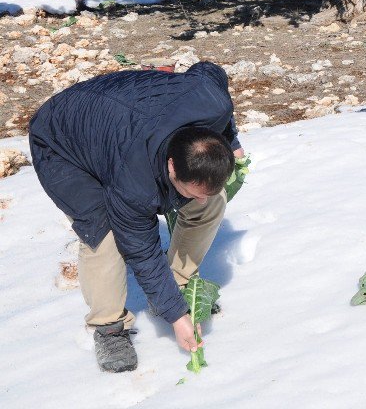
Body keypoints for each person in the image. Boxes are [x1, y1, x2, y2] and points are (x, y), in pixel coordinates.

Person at [28, 61, 243, 372]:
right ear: (171, 167)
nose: (198, 195)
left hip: (122, 110)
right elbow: (140, 249)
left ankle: (177, 283)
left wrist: (232, 141)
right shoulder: (135, 181)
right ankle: (109, 327)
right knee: (105, 234)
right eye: (191, 188)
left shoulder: (213, 102)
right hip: (62, 140)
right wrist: (177, 318)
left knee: (210, 202)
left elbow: (209, 71)